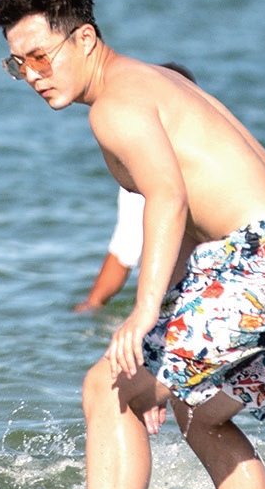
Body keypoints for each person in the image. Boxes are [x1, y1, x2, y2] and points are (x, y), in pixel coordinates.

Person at [0, 0, 265, 489]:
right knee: (196, 409)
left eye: (39, 56)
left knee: (106, 385)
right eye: (17, 65)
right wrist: (166, 342)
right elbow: (186, 227)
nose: (31, 75)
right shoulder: (153, 84)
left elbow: (167, 200)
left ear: (84, 39)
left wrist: (142, 315)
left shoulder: (115, 104)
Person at [74, 63, 195, 312]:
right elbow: (125, 249)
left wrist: (93, 304)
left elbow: (125, 249)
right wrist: (92, 303)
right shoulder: (217, 152)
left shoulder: (148, 169)